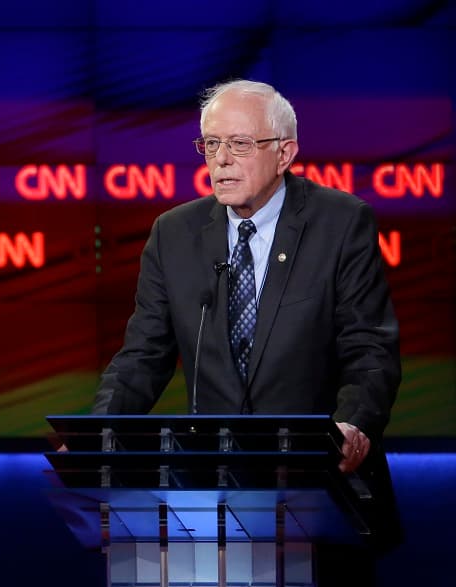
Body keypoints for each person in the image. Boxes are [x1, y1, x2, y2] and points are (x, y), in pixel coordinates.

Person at [91, 80, 401, 584]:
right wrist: (100, 433)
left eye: (239, 144)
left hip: (315, 485)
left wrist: (354, 424)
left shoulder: (340, 223)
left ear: (285, 153)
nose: (221, 160)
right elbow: (142, 355)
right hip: (209, 492)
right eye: (211, 144)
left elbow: (369, 348)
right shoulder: (174, 233)